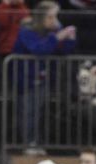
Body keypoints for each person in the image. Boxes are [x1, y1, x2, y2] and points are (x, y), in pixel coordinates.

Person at [11, 1, 76, 154]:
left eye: (56, 17)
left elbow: (63, 51)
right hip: (25, 79)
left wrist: (70, 39)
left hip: (42, 78)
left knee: (38, 111)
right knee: (27, 111)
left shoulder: (51, 32)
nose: (54, 21)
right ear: (42, 17)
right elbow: (39, 49)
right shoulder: (27, 30)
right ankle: (27, 143)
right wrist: (57, 37)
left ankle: (35, 141)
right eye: (51, 17)